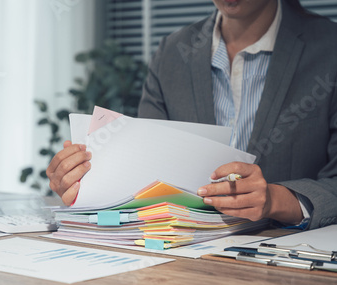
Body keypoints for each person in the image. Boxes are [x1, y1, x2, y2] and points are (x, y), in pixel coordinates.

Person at [46, 0, 337, 230]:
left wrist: (276, 200)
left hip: (290, 265)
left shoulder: (329, 48)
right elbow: (146, 174)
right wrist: (87, 187)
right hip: (185, 260)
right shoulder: (173, 53)